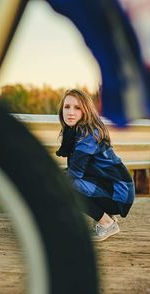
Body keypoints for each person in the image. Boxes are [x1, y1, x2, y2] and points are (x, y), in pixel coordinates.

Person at [56, 89, 135, 241]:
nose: (70, 112)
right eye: (67, 107)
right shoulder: (75, 132)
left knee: (64, 184)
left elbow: (74, 175)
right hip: (113, 187)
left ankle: (107, 223)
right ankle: (107, 217)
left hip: (118, 193)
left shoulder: (87, 137)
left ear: (86, 111)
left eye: (77, 108)